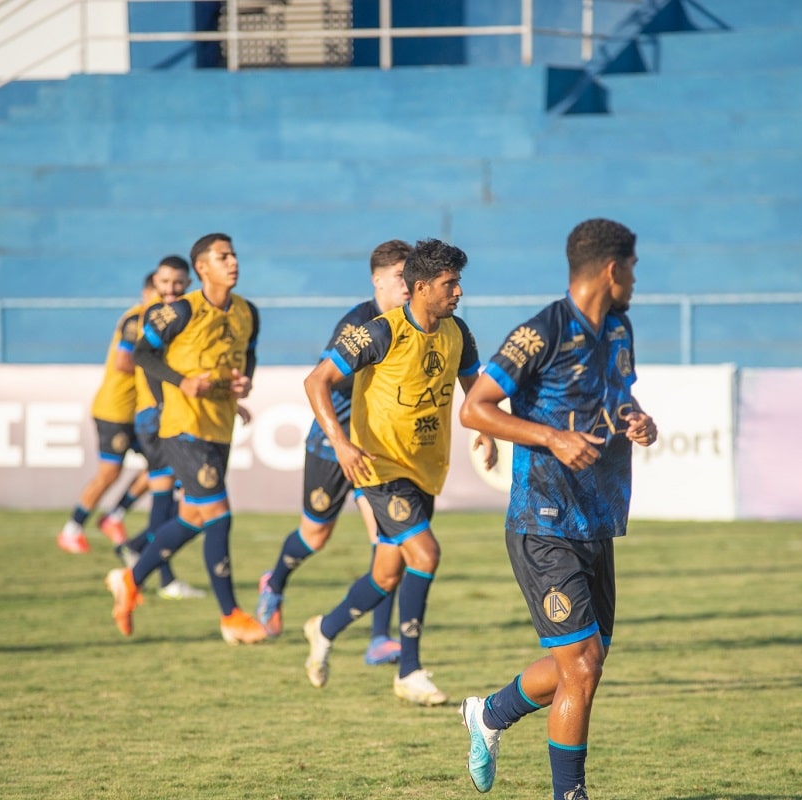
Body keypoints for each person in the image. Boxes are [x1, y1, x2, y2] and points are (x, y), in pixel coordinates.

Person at [456, 218, 658, 800]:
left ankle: (490, 713)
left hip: (597, 519)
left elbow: (620, 398)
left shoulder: (619, 330)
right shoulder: (540, 331)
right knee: (584, 666)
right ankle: (570, 795)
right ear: (613, 270)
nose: (635, 280)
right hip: (542, 520)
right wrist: (550, 438)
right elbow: (476, 407)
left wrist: (635, 420)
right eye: (634, 269)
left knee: (582, 662)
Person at [299, 238, 497, 706]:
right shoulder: (378, 332)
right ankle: (409, 671)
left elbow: (475, 391)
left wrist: (485, 432)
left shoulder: (458, 334)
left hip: (424, 466)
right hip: (377, 464)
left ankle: (324, 630)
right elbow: (316, 381)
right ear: (422, 287)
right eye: (451, 284)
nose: (459, 292)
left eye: (459, 282)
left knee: (386, 575)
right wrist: (342, 444)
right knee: (425, 555)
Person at [255, 239, 413, 666]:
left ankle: (379, 638)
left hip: (374, 451)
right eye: (401, 276)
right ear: (377, 280)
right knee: (314, 535)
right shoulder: (360, 325)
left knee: (389, 540)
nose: (409, 284)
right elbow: (323, 380)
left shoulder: (415, 323)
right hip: (332, 444)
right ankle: (274, 582)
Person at [105, 232, 267, 645]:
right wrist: (181, 382)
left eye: (234, 255)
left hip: (219, 425)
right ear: (202, 268)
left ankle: (130, 578)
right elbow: (142, 354)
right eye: (222, 256)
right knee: (219, 514)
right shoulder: (178, 311)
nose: (233, 262)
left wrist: (243, 386)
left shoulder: (248, 312)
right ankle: (231, 615)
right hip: (181, 426)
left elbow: (247, 355)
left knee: (193, 518)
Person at [114, 254, 207, 601]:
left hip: (175, 417)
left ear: (188, 283)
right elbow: (143, 361)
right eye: (163, 283)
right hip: (158, 419)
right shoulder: (154, 317)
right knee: (174, 500)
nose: (170, 289)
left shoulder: (184, 314)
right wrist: (166, 402)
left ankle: (136, 547)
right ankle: (163, 577)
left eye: (177, 283)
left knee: (181, 504)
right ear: (154, 285)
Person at [57, 273, 154, 554]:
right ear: (147, 292)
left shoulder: (156, 322)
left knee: (161, 468)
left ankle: (115, 515)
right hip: (116, 408)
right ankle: (72, 529)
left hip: (137, 411)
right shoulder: (136, 320)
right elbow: (124, 362)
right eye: (159, 290)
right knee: (110, 472)